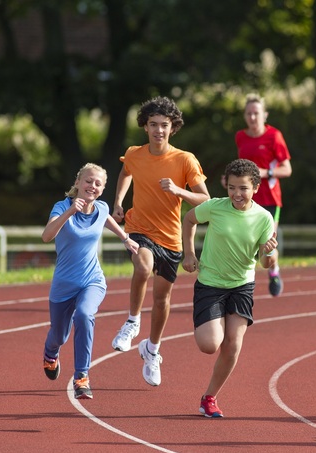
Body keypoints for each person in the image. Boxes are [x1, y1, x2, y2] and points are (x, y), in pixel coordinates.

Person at [110, 96, 210, 387]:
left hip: (171, 238)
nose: (158, 131)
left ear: (172, 128)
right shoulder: (135, 154)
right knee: (142, 266)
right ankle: (132, 322)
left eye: (164, 125)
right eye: (153, 125)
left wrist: (179, 190)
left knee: (162, 298)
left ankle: (152, 350)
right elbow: (125, 172)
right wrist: (118, 201)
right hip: (140, 228)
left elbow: (205, 197)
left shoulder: (184, 160)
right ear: (145, 127)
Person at [182, 159, 277, 417]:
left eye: (243, 188)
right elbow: (189, 220)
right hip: (211, 283)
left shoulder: (263, 218)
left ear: (255, 188)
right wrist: (189, 254)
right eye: (232, 187)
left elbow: (266, 262)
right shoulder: (214, 207)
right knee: (210, 344)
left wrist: (269, 255)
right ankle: (214, 323)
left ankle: (209, 398)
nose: (237, 194)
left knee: (233, 345)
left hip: (242, 286)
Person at [41, 163, 139, 400]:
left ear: (103, 189)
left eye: (98, 184)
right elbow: (46, 236)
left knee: (84, 315)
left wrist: (125, 238)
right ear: (77, 183)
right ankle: (50, 353)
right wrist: (70, 212)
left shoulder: (102, 208)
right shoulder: (62, 206)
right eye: (88, 181)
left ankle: (81, 377)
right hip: (64, 284)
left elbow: (106, 219)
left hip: (92, 280)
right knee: (59, 335)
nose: (92, 186)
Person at [234, 93, 291, 297]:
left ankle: (273, 271)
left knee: (267, 244)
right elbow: (240, 168)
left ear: (264, 115)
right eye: (249, 113)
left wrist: (264, 172)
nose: (252, 117)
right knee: (243, 242)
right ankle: (240, 286)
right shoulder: (240, 137)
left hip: (269, 199)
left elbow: (287, 169)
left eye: (256, 113)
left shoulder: (274, 136)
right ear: (244, 116)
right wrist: (230, 179)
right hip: (245, 199)